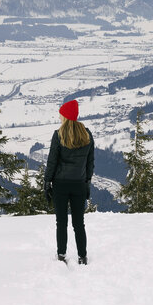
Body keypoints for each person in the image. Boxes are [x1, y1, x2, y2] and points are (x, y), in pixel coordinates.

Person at [45, 98, 94, 264]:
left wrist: (47, 182)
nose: (59, 118)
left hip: (60, 184)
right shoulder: (87, 134)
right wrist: (87, 182)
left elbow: (52, 161)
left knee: (61, 223)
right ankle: (82, 256)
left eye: (61, 115)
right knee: (79, 223)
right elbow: (90, 162)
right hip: (79, 184)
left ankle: (61, 255)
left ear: (66, 116)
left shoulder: (58, 135)